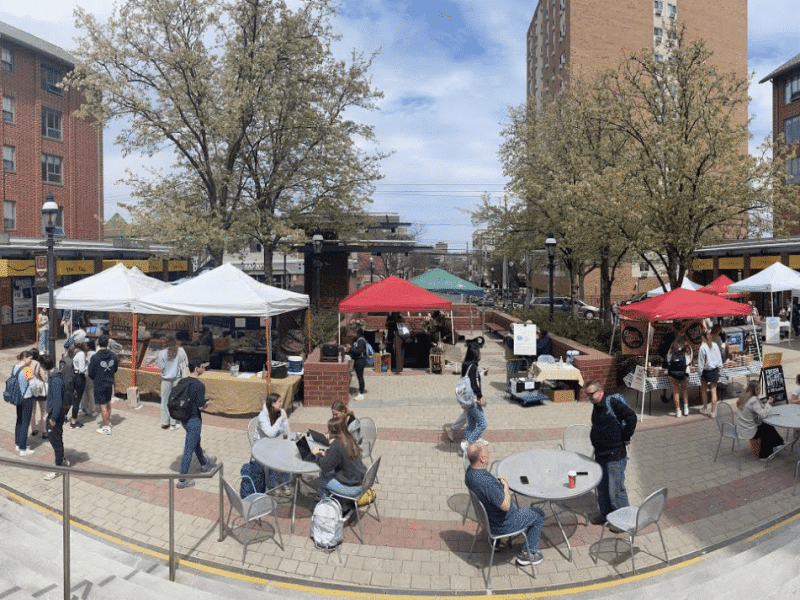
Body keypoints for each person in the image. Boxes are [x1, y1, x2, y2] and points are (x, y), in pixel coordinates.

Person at [464, 440, 545, 566]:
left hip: (488, 520)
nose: (490, 453)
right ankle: (528, 554)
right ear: (483, 459)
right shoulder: (487, 483)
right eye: (487, 452)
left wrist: (498, 488)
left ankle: (493, 542)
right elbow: (505, 506)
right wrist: (505, 488)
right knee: (538, 514)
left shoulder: (470, 473)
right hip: (503, 524)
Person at [586, 381, 637, 525]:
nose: (589, 397)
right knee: (602, 487)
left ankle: (623, 522)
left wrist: (626, 436)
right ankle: (605, 515)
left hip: (614, 454)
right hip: (601, 453)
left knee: (616, 490)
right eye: (587, 394)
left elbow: (631, 417)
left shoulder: (611, 402)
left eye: (591, 394)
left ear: (600, 392)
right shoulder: (597, 405)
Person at [177, 358, 216, 489]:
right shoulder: (199, 385)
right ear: (197, 368)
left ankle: (204, 464)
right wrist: (207, 404)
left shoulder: (183, 381)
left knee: (196, 443)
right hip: (194, 419)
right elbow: (200, 406)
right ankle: (182, 480)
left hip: (184, 418)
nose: (204, 369)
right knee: (188, 449)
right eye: (202, 367)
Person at [311, 417, 366, 508]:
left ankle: (326, 510)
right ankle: (337, 501)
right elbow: (340, 457)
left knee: (321, 481)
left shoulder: (337, 444)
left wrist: (317, 454)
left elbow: (325, 466)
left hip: (352, 487)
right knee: (325, 474)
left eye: (329, 430)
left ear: (333, 431)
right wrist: (327, 453)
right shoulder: (349, 438)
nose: (327, 432)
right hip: (361, 481)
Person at [736, 380, 783, 460]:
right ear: (754, 390)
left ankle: (778, 443)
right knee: (766, 429)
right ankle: (765, 455)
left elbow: (757, 410)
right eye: (758, 389)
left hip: (741, 428)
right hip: (749, 430)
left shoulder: (744, 398)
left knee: (766, 425)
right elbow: (763, 415)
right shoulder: (753, 400)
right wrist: (768, 404)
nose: (759, 390)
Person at [255, 392, 292, 493]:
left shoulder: (281, 411)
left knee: (287, 454)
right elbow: (270, 434)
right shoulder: (262, 416)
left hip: (277, 442)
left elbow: (286, 430)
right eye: (279, 401)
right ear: (272, 403)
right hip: (263, 444)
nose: (282, 403)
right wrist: (280, 419)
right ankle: (273, 484)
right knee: (272, 456)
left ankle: (285, 483)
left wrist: (286, 439)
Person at [43, 356, 70, 481]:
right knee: (57, 438)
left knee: (55, 440)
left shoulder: (55, 381)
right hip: (55, 413)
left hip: (56, 415)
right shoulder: (56, 377)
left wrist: (52, 417)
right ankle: (62, 459)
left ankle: (58, 467)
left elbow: (57, 401)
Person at [88, 334, 119, 435]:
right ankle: (108, 422)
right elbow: (115, 369)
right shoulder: (113, 355)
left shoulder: (95, 357)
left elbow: (90, 372)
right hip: (109, 382)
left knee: (103, 406)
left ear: (98, 343)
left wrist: (95, 378)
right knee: (108, 403)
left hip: (99, 383)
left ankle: (106, 427)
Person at [156, 334, 188, 430]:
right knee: (175, 401)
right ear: (175, 342)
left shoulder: (161, 353)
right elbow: (186, 363)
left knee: (165, 401)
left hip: (166, 380)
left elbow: (161, 367)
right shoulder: (181, 351)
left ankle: (165, 422)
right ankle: (173, 423)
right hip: (177, 379)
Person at [459, 340, 486, 454]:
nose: (480, 355)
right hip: (473, 399)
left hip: (466, 399)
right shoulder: (473, 367)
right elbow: (474, 384)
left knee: (471, 424)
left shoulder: (465, 365)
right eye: (479, 353)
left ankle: (466, 447)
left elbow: (469, 380)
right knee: (482, 424)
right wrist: (480, 397)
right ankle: (468, 443)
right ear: (475, 355)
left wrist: (482, 374)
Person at [13, 351, 36, 457]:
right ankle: (23, 448)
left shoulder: (15, 367)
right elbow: (33, 385)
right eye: (30, 358)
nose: (31, 360)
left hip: (18, 398)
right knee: (25, 423)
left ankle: (17, 444)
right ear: (24, 358)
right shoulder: (27, 369)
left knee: (19, 420)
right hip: (27, 398)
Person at [698, 329, 723, 418]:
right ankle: (713, 412)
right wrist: (720, 368)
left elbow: (701, 362)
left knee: (704, 390)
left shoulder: (702, 347)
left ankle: (705, 408)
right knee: (713, 390)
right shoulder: (715, 345)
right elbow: (719, 358)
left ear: (703, 337)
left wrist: (699, 372)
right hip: (714, 370)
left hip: (705, 371)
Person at [666, 335, 692, 418]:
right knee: (684, 390)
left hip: (673, 372)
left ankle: (678, 411)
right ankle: (686, 409)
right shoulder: (687, 348)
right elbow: (690, 360)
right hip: (684, 372)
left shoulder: (672, 348)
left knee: (675, 391)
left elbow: (668, 360)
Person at [28, 349, 48, 440]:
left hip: (31, 391)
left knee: (32, 411)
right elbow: (44, 378)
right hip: (40, 390)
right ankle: (44, 432)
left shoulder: (27, 364)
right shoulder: (37, 364)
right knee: (43, 410)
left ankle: (33, 429)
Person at [348, 327, 368, 401]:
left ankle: (361, 393)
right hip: (357, 360)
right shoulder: (356, 340)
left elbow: (358, 351)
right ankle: (360, 391)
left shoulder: (361, 340)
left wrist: (351, 348)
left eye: (354, 332)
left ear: (358, 333)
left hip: (361, 360)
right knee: (358, 376)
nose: (352, 334)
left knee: (360, 377)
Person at [71, 342, 88, 429]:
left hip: (74, 376)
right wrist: (87, 366)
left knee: (75, 398)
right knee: (77, 400)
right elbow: (82, 369)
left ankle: (72, 418)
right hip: (79, 377)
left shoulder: (75, 352)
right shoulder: (81, 354)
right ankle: (73, 421)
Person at [79, 339, 97, 418]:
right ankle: (93, 411)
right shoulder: (94, 354)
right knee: (91, 393)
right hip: (91, 375)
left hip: (82, 375)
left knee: (83, 393)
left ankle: (83, 409)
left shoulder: (80, 354)